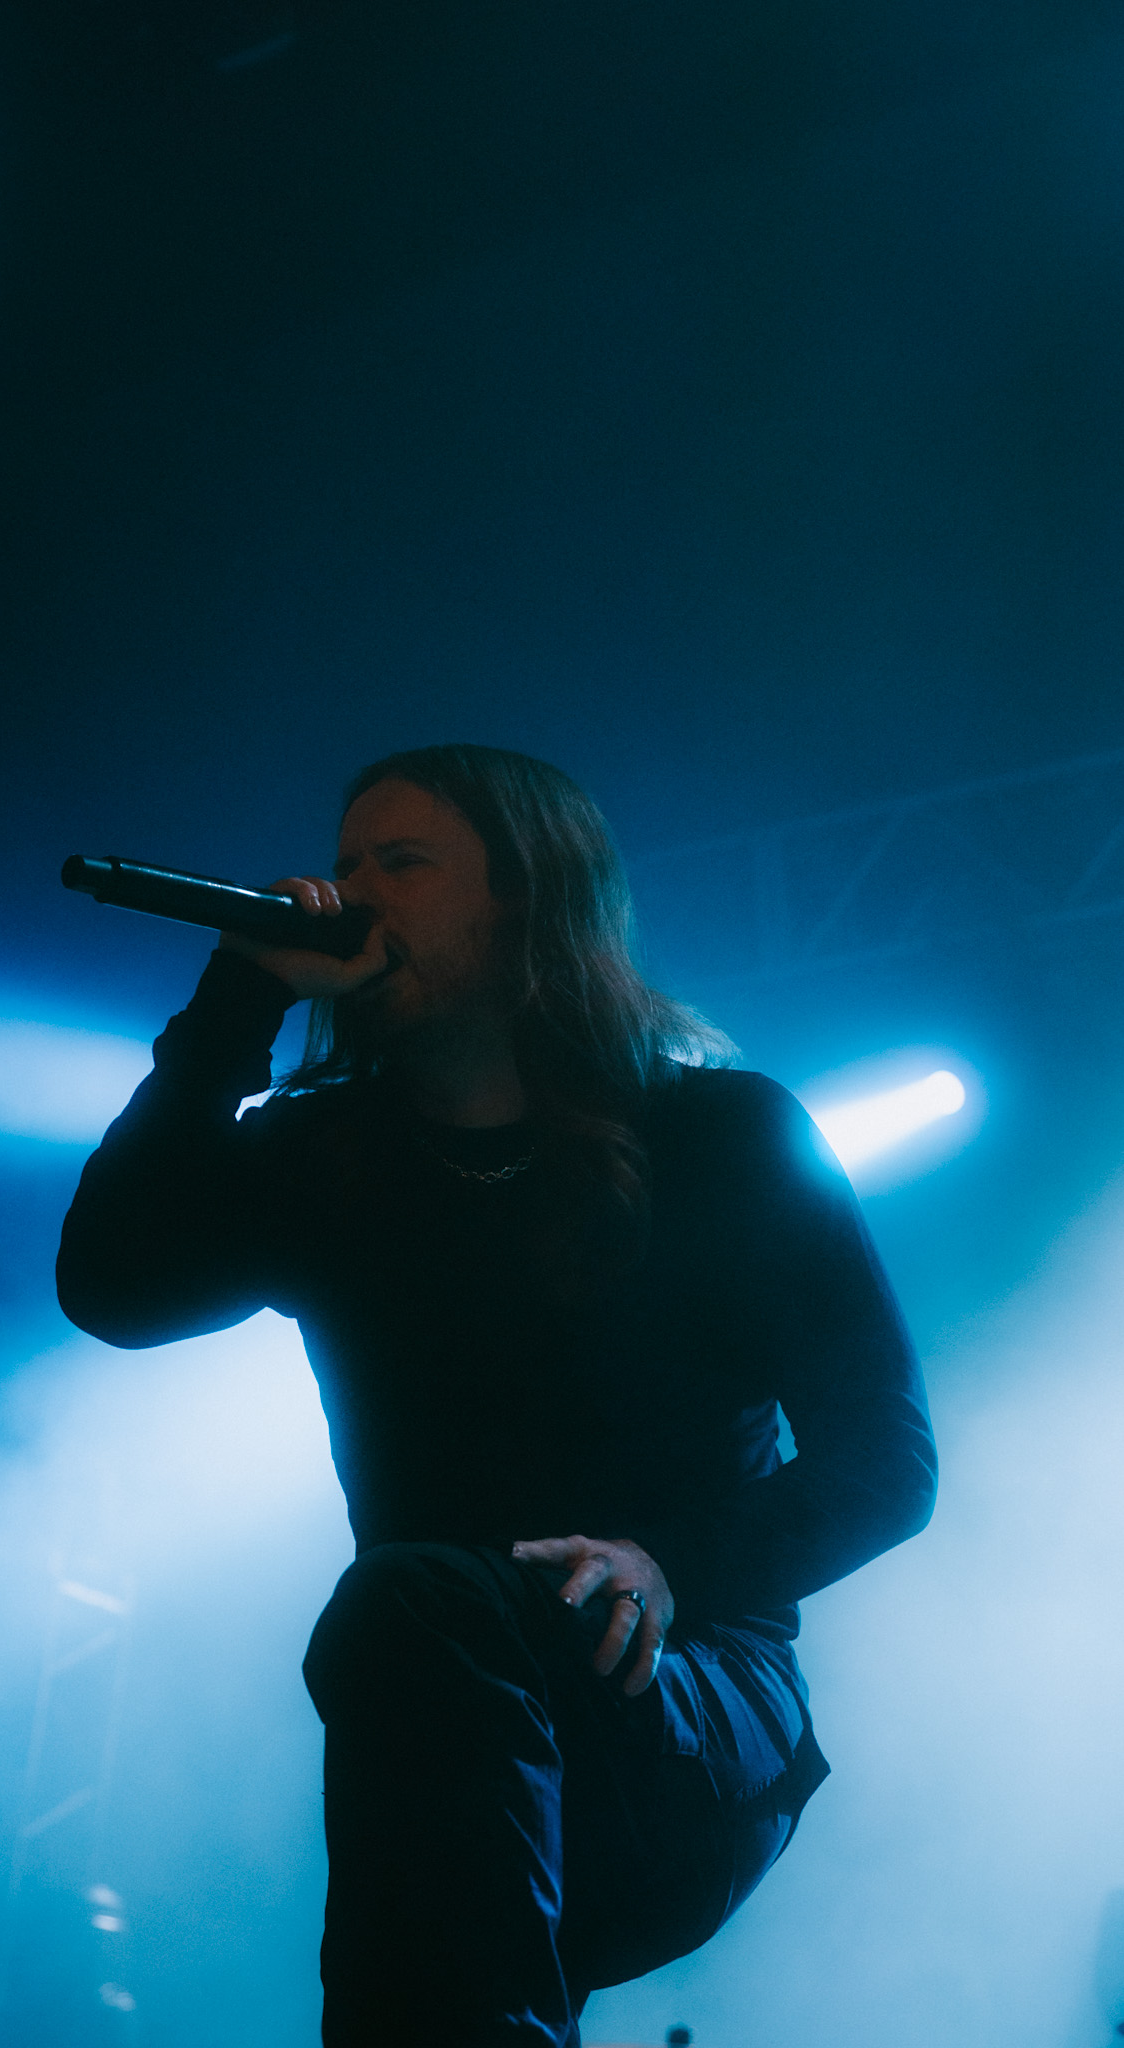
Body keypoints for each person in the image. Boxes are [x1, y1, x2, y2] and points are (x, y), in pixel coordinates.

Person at [57, 743, 937, 2047]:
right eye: (346, 863)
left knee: (409, 1604)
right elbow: (114, 1286)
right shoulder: (329, 1153)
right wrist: (234, 1005)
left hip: (686, 1694)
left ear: (526, 895)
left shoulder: (721, 1136)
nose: (352, 893)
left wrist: (668, 1565)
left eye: (402, 863)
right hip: (450, 1701)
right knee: (418, 1653)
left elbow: (887, 1464)